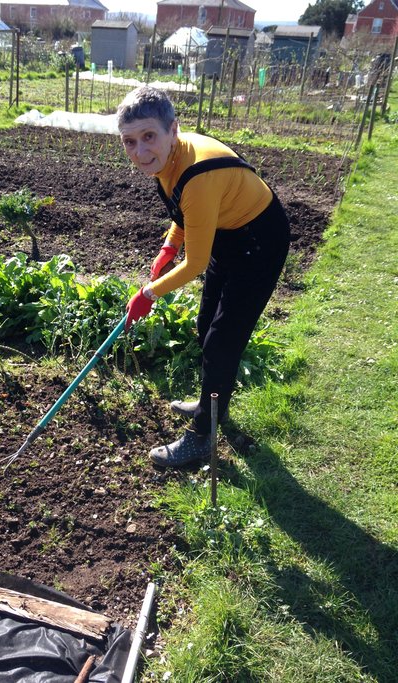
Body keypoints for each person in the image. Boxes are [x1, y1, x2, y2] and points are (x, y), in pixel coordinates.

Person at [117, 86, 290, 468]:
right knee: (205, 323)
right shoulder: (168, 160)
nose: (140, 152)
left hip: (260, 242)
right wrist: (168, 247)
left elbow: (195, 262)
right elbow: (186, 214)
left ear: (173, 129)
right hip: (229, 236)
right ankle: (213, 402)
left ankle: (201, 437)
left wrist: (148, 293)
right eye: (129, 142)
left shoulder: (196, 173)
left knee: (222, 340)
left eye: (149, 137)